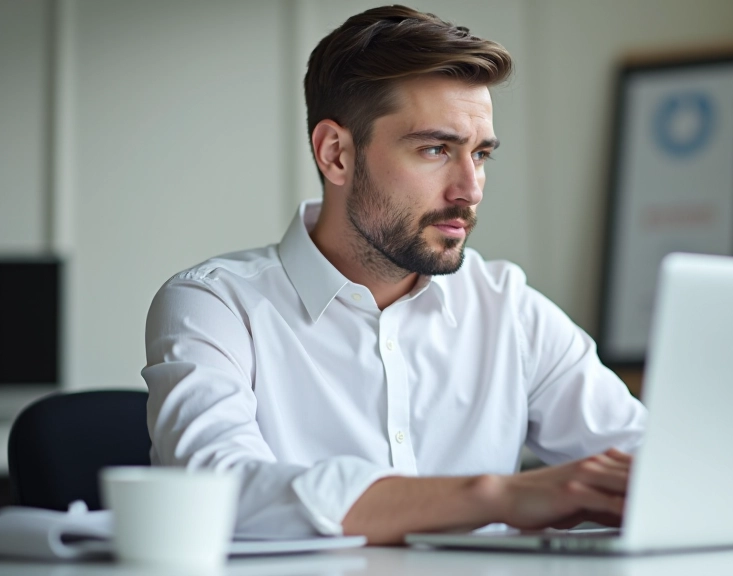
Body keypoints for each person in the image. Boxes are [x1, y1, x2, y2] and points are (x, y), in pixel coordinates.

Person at [143, 5, 646, 545]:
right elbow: (217, 491)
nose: (470, 189)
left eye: (480, 154)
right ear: (336, 154)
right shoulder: (216, 305)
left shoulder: (508, 308)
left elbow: (653, 463)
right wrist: (494, 497)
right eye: (435, 149)